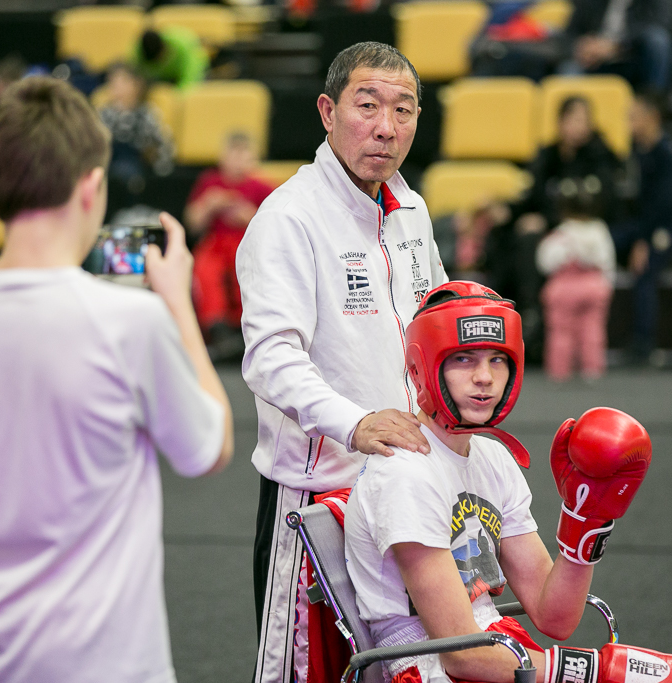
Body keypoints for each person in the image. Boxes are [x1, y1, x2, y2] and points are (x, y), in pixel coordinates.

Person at [0, 76, 233, 683]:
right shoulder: (129, 321)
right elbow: (208, 449)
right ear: (91, 185)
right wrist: (178, 305)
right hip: (102, 660)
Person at [344, 280, 672, 683]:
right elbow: (459, 654)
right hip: (431, 668)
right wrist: (598, 671)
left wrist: (585, 524)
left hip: (498, 646)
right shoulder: (403, 473)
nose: (485, 378)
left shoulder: (493, 459)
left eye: (498, 359)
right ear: (423, 368)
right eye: (464, 359)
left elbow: (554, 617)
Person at [236, 41, 447, 683]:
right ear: (327, 112)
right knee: (299, 674)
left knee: (403, 669)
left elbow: (435, 322)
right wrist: (355, 424)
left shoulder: (411, 210)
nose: (387, 126)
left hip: (407, 496)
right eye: (368, 105)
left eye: (404, 110)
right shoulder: (288, 218)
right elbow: (271, 359)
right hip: (313, 504)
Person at [488, 96, 622, 352]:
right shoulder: (548, 155)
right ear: (560, 122)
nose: (578, 126)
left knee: (529, 240)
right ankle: (501, 310)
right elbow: (531, 197)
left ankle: (532, 314)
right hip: (548, 230)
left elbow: (597, 204)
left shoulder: (600, 156)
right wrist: (507, 211)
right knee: (505, 233)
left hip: (583, 231)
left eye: (583, 120)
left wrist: (546, 221)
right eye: (573, 119)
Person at [612, 91, 672, 362]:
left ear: (652, 117)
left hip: (665, 227)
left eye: (635, 117)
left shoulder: (665, 153)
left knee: (643, 273)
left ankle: (644, 343)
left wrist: (643, 243)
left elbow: (664, 206)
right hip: (641, 223)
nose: (630, 123)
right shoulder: (636, 147)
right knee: (606, 240)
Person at [184, 132, 274, 359]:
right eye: (233, 154)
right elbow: (192, 222)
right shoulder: (210, 182)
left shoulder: (261, 187)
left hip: (247, 243)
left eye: (244, 155)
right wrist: (208, 205)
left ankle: (246, 328)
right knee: (206, 268)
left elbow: (275, 227)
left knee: (248, 271)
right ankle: (217, 327)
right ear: (222, 157)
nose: (237, 161)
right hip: (215, 243)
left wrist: (249, 216)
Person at [536, 176, 616, 382]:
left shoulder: (560, 233)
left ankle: (559, 371)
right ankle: (592, 370)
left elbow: (545, 262)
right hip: (594, 285)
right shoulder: (599, 230)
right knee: (593, 329)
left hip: (563, 288)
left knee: (561, 331)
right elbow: (607, 261)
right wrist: (607, 284)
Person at [560, 0, 672, 93]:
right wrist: (583, 45)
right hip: (595, 62)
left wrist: (617, 46)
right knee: (569, 68)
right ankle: (573, 119)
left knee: (659, 41)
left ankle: (653, 104)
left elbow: (662, 23)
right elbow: (569, 34)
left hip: (634, 58)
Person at [99, 62, 174, 192]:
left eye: (122, 82)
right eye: (112, 83)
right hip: (107, 166)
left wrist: (150, 153)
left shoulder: (147, 114)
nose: (116, 88)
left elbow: (161, 147)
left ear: (136, 85)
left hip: (137, 169)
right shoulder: (103, 114)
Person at [134, 28, 208, 89]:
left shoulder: (184, 45)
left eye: (160, 59)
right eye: (155, 63)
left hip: (184, 77)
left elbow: (191, 81)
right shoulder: (136, 53)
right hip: (155, 81)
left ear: (165, 49)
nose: (160, 63)